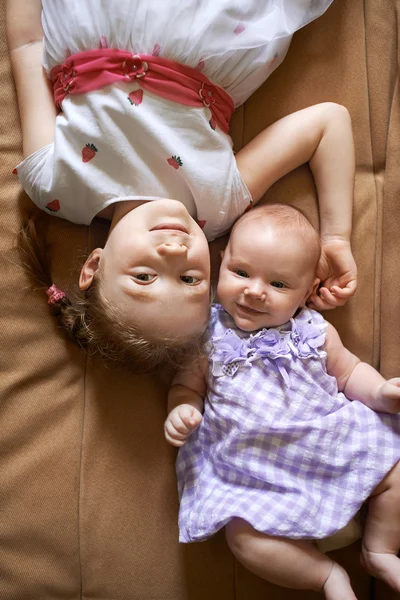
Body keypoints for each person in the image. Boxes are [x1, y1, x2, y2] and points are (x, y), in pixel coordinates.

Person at [7, 0, 357, 372]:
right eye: (190, 278)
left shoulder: (53, 187)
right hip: (209, 33)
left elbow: (28, 46)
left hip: (101, 19)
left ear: (95, 265)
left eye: (144, 276)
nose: (175, 251)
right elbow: (329, 124)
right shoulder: (217, 207)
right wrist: (336, 238)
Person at [164, 203, 400, 599]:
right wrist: (183, 408)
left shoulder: (314, 330)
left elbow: (349, 372)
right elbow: (188, 386)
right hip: (254, 473)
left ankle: (379, 549)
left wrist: (380, 392)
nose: (254, 290)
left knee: (396, 467)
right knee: (241, 536)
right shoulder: (207, 334)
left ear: (307, 293)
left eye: (278, 285)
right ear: (221, 266)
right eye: (240, 273)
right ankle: (326, 576)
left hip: (331, 446)